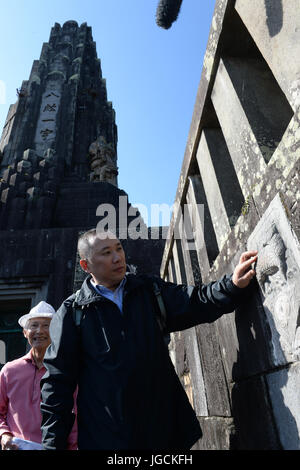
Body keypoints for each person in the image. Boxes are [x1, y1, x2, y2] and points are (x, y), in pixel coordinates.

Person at [40, 229, 258, 450]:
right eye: (106, 253)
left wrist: (231, 285)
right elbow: (57, 383)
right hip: (108, 439)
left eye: (119, 248)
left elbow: (195, 301)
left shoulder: (149, 291)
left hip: (165, 435)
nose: (117, 257)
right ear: (86, 266)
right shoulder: (73, 313)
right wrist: (52, 445)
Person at [0, 301, 77, 450]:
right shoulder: (9, 371)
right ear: (25, 332)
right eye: (34, 325)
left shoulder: (66, 373)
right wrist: (4, 434)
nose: (39, 331)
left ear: (56, 332)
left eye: (46, 325)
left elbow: (75, 419)